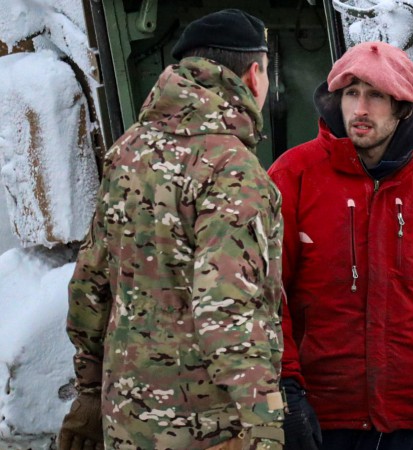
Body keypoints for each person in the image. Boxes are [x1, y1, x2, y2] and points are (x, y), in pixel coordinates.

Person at [58, 9, 286, 450]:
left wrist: (88, 393)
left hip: (126, 419)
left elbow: (88, 285)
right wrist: (266, 428)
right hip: (206, 430)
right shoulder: (233, 169)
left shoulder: (128, 150)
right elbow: (229, 309)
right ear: (254, 75)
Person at [267, 41, 413, 450]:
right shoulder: (294, 174)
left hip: (411, 422)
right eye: (351, 93)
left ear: (403, 107)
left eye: (375, 96)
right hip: (320, 419)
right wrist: (285, 389)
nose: (359, 109)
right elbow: (268, 297)